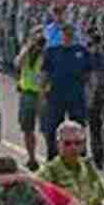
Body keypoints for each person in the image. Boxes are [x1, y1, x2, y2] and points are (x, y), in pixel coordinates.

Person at [41, 24, 91, 160]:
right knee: (53, 126)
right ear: (61, 34)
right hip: (56, 94)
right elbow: (45, 73)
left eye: (70, 33)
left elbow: (89, 74)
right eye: (65, 33)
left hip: (76, 94)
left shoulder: (81, 51)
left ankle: (80, 156)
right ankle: (53, 156)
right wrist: (42, 92)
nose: (67, 36)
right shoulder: (52, 51)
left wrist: (88, 92)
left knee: (79, 126)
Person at [15, 26, 48, 170]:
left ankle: (50, 156)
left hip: (44, 94)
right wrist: (29, 47)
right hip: (28, 92)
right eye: (36, 35)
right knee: (27, 127)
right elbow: (18, 63)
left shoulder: (48, 52)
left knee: (47, 128)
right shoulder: (27, 51)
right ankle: (32, 158)